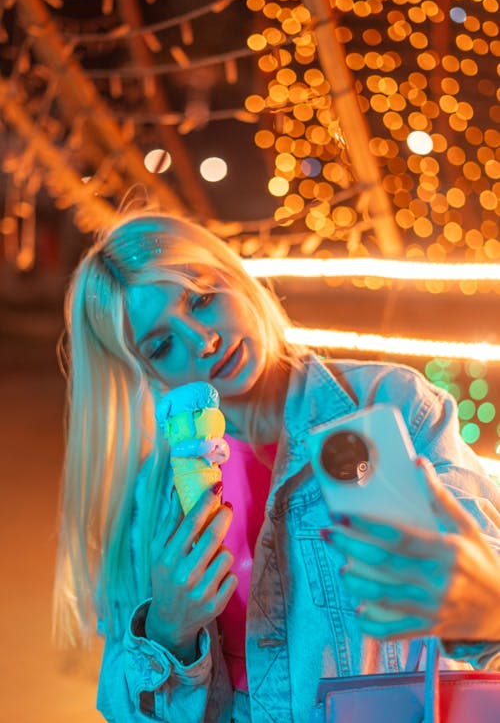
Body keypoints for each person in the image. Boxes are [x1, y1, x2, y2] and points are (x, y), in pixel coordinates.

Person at [53, 211, 500, 723]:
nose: (203, 341)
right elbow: (126, 707)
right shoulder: (150, 501)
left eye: (202, 298)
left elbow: (483, 556)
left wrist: (485, 604)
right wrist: (166, 630)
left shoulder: (391, 404)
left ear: (235, 276)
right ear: (146, 373)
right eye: (162, 344)